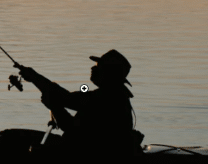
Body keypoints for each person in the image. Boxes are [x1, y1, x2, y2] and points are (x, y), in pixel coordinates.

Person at [13, 50, 143, 154]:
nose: (93, 68)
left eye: (98, 67)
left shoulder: (106, 98)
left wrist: (54, 106)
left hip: (98, 157)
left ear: (108, 74)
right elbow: (65, 98)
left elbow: (72, 127)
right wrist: (35, 78)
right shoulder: (113, 95)